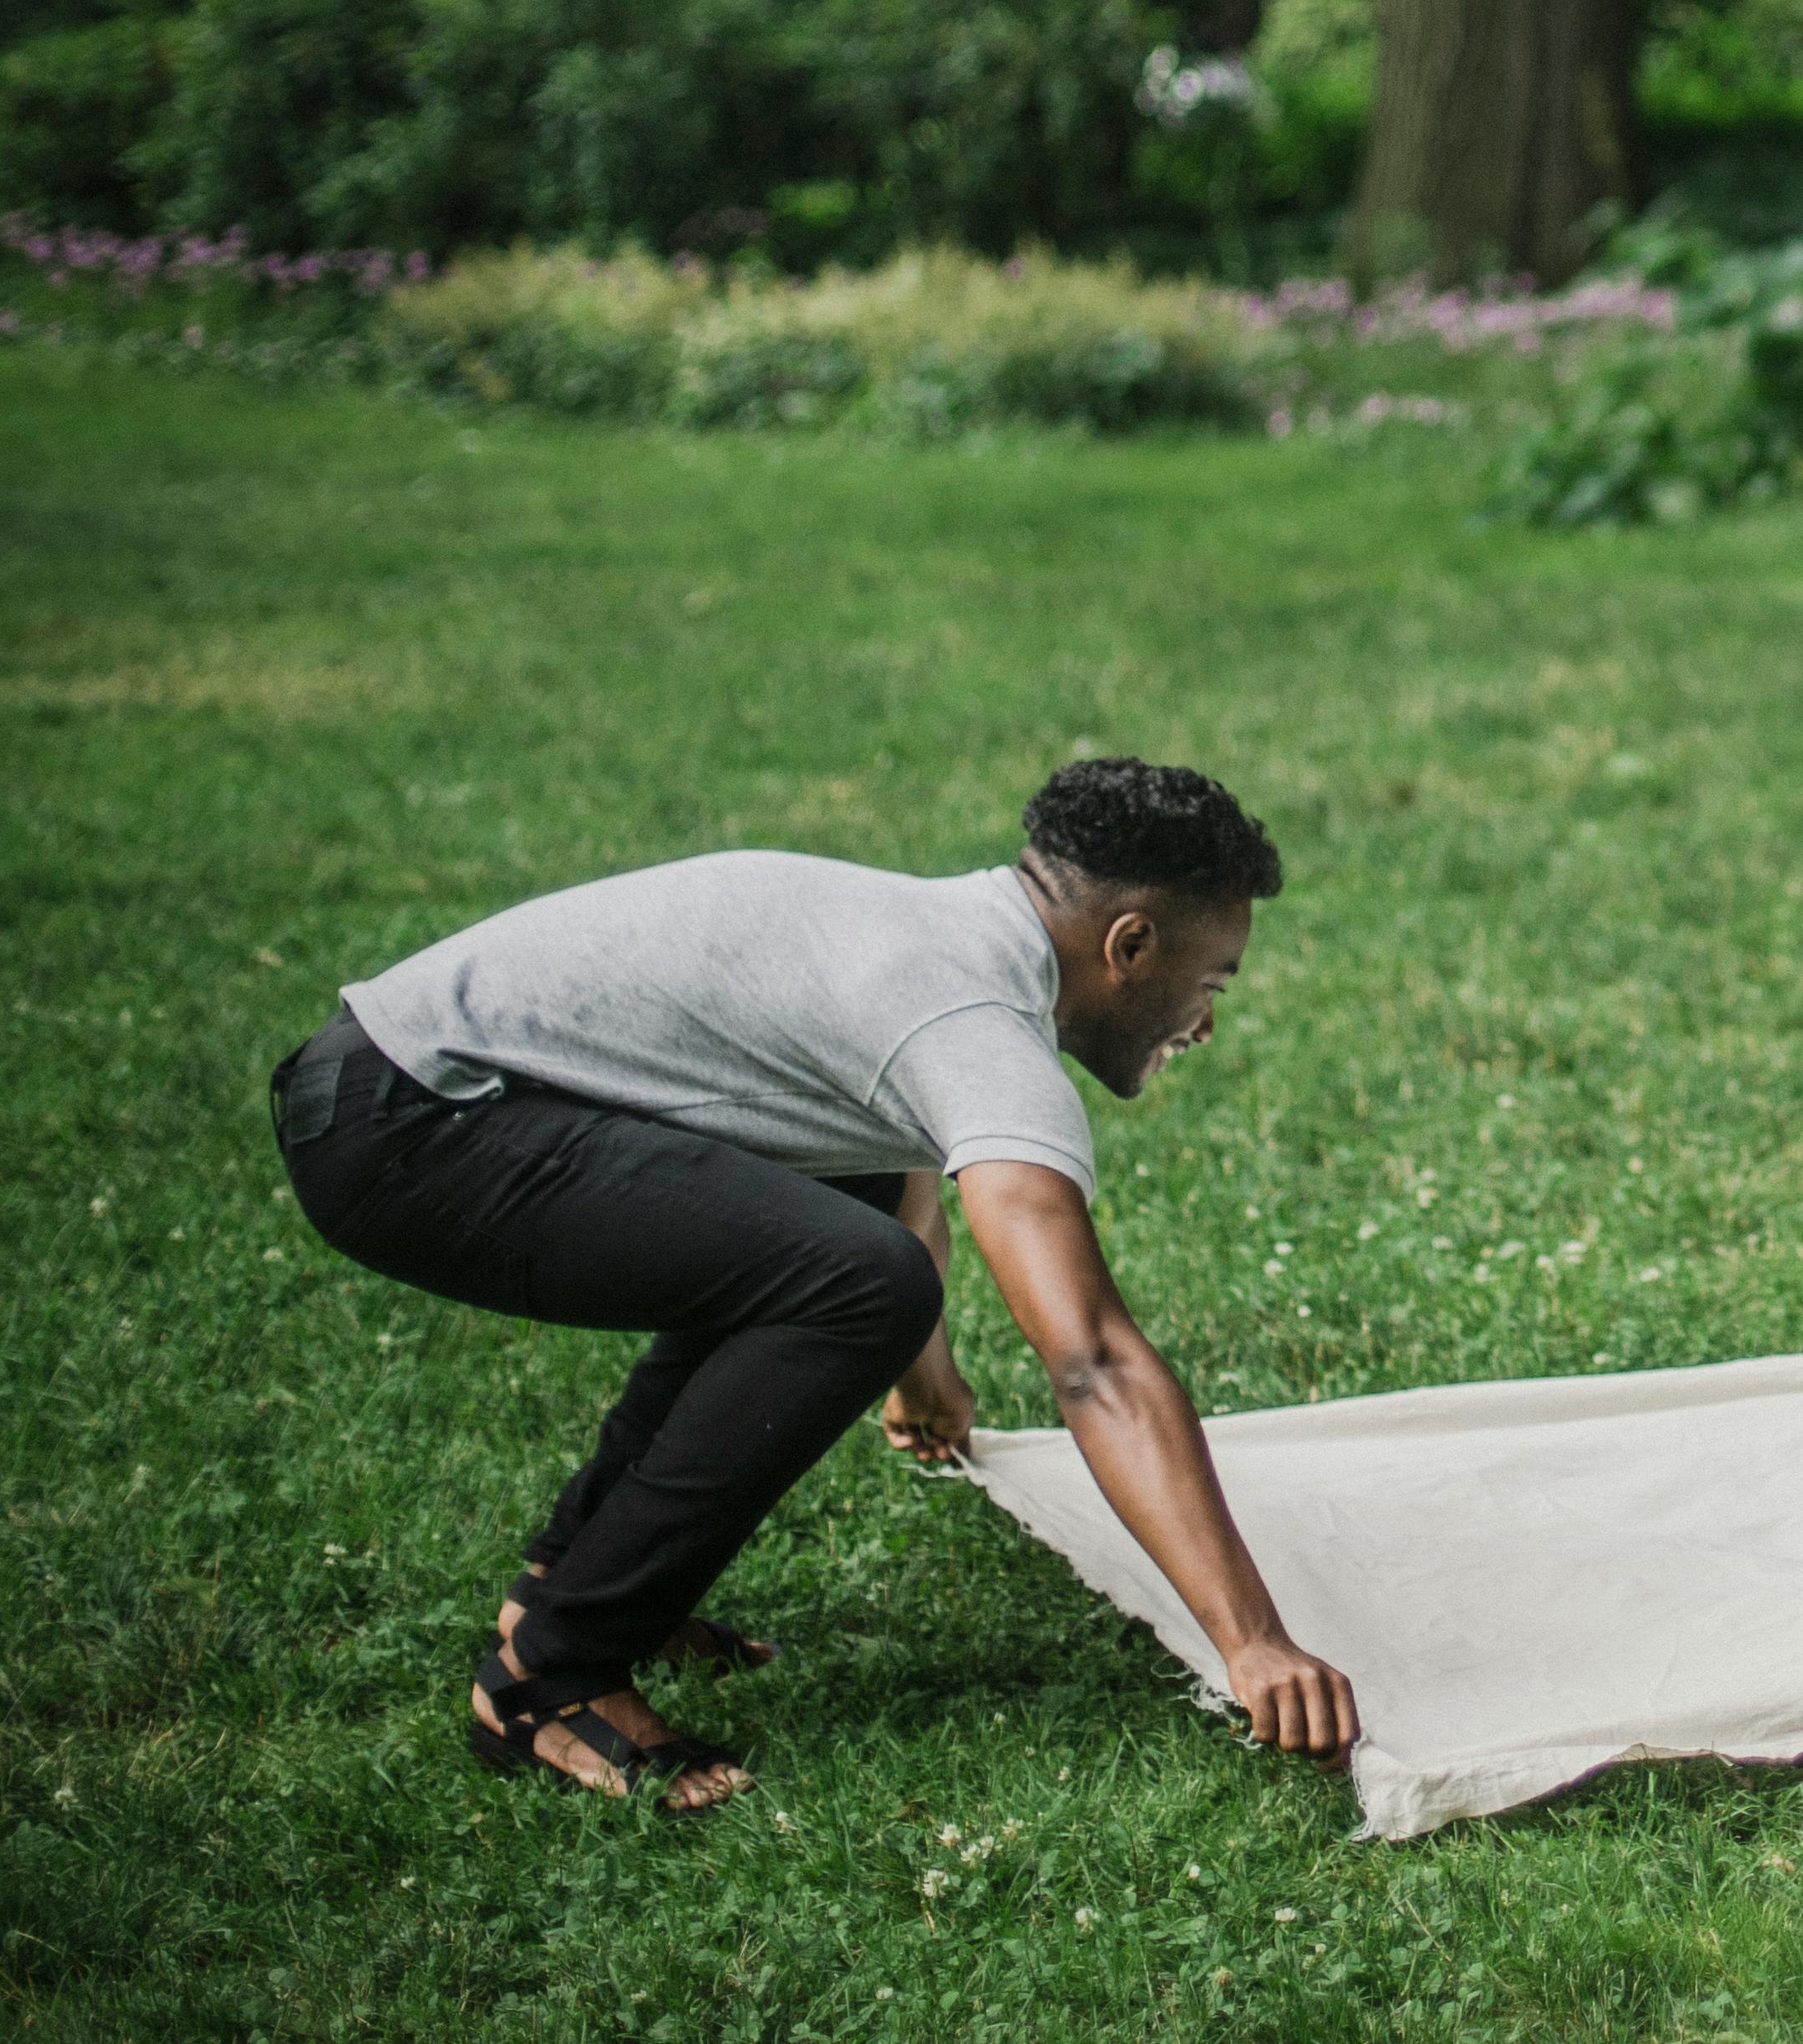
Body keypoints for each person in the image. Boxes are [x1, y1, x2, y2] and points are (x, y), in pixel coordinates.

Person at [272, 757, 1361, 1810]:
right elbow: (1091, 1360)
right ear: (1130, 943)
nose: (1206, 1021)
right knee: (861, 1280)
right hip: (413, 1126)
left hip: (403, 1090)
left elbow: (887, 1151)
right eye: (1209, 982)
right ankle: (550, 1682)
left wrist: (924, 1365)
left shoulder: (945, 934)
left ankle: (571, 1590)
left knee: (862, 1250)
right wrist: (1254, 1643)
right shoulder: (975, 1026)